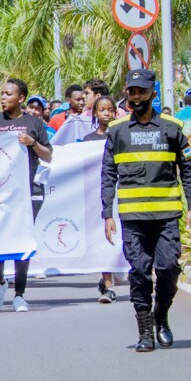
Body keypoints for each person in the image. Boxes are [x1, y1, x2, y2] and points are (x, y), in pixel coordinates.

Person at [101, 69, 191, 352]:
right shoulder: (117, 130)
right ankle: (145, 331)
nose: (136, 97)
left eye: (141, 92)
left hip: (167, 215)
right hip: (132, 219)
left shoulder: (171, 127)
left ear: (153, 94)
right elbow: (108, 174)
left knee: (168, 268)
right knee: (140, 272)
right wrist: (107, 212)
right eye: (132, 92)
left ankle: (162, 315)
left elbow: (188, 169)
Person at [0, 79, 52, 312]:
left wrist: (32, 143)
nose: (3, 97)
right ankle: (0, 281)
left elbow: (48, 156)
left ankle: (20, 294)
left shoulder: (33, 122)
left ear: (21, 98)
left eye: (8, 94)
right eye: (1, 93)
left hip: (27, 190)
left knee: (22, 241)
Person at [84, 96, 120, 304]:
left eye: (109, 110)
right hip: (97, 196)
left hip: (121, 193)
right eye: (102, 110)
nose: (106, 113)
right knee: (104, 240)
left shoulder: (120, 135)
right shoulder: (88, 140)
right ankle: (108, 285)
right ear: (95, 113)